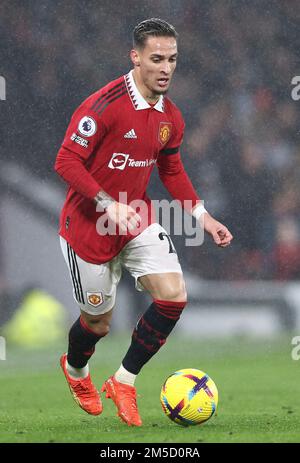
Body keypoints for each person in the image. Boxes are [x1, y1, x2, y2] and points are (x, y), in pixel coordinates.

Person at [54, 18, 233, 427]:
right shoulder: (102, 105)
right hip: (88, 228)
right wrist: (105, 203)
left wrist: (203, 217)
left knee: (173, 296)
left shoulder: (171, 116)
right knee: (97, 324)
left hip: (135, 217)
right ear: (135, 57)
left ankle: (124, 380)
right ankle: (76, 370)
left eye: (172, 59)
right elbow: (66, 160)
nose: (165, 68)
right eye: (156, 59)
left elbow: (171, 171)